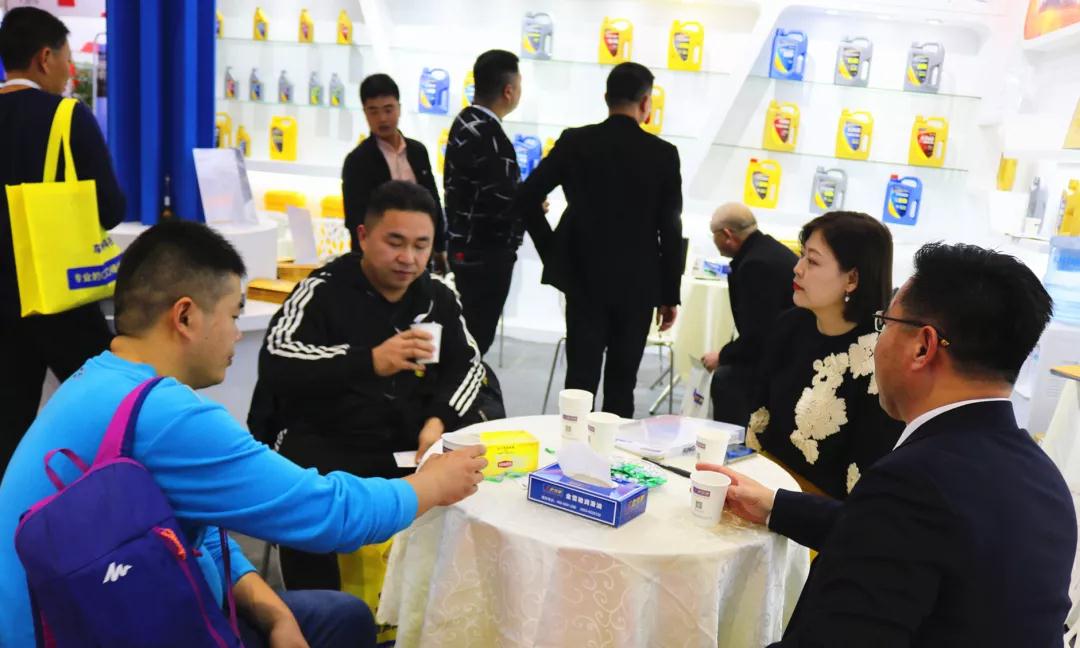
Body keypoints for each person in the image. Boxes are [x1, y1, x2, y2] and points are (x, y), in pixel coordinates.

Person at [0, 220, 487, 648]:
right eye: (234, 315)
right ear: (185, 316)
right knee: (344, 619)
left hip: (98, 602)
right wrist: (432, 484)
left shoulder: (98, 376)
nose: (237, 334)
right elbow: (331, 515)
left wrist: (272, 612)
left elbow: (197, 529)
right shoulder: (167, 416)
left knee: (337, 615)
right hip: (95, 627)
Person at [704, 242, 1076, 646]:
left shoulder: (914, 481)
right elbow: (903, 539)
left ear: (923, 346)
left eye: (884, 324)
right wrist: (774, 506)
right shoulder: (1044, 478)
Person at [252, 180, 487, 591]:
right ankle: (321, 611)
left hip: (408, 444)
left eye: (421, 245)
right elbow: (276, 359)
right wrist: (371, 360)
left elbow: (468, 365)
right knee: (308, 502)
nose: (408, 258)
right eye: (395, 242)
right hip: (327, 441)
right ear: (363, 236)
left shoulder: (437, 297)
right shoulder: (322, 290)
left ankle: (423, 608)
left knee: (471, 487)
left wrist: (438, 421)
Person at [512, 62, 682, 418]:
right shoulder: (663, 154)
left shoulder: (575, 141)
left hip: (583, 278)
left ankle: (572, 447)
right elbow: (669, 229)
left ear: (606, 98)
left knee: (580, 380)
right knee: (623, 383)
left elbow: (526, 198)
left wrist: (552, 251)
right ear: (646, 102)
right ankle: (616, 449)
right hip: (637, 283)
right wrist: (669, 294)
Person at [0, 7, 125, 474]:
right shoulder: (67, 116)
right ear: (44, 58)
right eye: (66, 59)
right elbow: (110, 209)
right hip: (59, 295)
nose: (69, 71)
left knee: (6, 431)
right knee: (107, 414)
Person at [744, 211, 903, 498]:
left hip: (826, 510)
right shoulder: (790, 326)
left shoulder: (879, 356)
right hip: (765, 487)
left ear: (852, 278)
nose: (797, 269)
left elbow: (866, 473)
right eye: (801, 256)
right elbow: (760, 417)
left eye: (813, 261)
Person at [443, 49, 523, 356]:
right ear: (508, 91)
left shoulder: (466, 122)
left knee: (465, 333)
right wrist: (526, 204)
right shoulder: (489, 134)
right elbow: (499, 200)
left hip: (465, 246)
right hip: (485, 255)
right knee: (474, 340)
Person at [701, 203, 797, 426]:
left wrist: (723, 356)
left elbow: (759, 335)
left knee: (726, 379)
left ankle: (732, 441)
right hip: (789, 348)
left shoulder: (755, 265)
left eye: (713, 234)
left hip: (782, 358)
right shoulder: (767, 250)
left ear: (727, 235)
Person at [343, 73, 447, 272]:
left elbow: (432, 200)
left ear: (399, 108)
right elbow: (355, 219)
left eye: (388, 109)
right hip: (381, 260)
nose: (382, 118)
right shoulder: (357, 161)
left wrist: (440, 248)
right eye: (373, 111)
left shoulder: (417, 152)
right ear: (365, 113)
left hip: (419, 253)